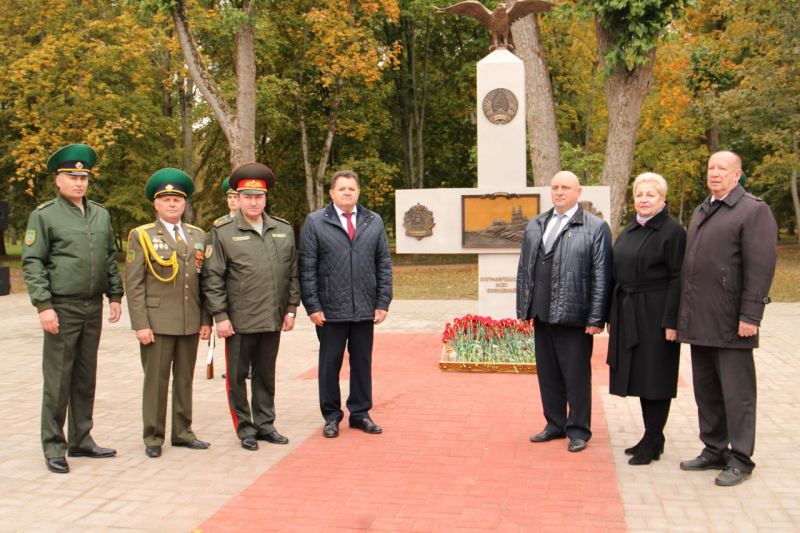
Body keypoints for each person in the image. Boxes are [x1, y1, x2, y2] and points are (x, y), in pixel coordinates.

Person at [677, 151, 778, 486]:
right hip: (700, 320)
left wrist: (751, 315)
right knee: (706, 391)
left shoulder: (753, 210)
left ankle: (740, 458)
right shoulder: (703, 209)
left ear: (738, 175)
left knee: (738, 394)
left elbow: (761, 268)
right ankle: (714, 448)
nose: (715, 173)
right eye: (710, 168)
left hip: (733, 321)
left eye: (722, 168)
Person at [21, 144, 124, 474]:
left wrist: (116, 295)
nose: (79, 183)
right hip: (62, 308)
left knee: (84, 376)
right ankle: (54, 445)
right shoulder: (45, 215)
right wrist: (44, 305)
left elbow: (109, 258)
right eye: (71, 176)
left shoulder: (100, 213)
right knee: (58, 379)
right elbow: (33, 261)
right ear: (58, 180)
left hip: (92, 306)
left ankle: (82, 438)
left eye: (83, 177)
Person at [201, 163, 300, 451]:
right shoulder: (222, 232)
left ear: (265, 198)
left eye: (258, 196)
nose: (253, 202)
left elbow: (292, 274)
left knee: (265, 375)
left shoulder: (283, 229)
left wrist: (291, 309)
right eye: (247, 196)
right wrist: (220, 316)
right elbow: (213, 277)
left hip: (273, 317)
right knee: (236, 377)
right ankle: (245, 428)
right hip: (239, 321)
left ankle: (266, 424)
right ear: (238, 199)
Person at [516, 171, 612, 453]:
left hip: (575, 316)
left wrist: (597, 317)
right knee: (548, 373)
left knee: (576, 375)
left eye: (566, 188)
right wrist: (523, 306)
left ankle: (579, 429)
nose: (559, 192)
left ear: (578, 192)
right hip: (542, 313)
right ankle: (554, 424)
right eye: (555, 187)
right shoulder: (536, 224)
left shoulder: (595, 227)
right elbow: (525, 270)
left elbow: (602, 275)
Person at [125, 169, 213, 458]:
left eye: (177, 199)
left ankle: (183, 432)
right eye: (167, 200)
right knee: (156, 382)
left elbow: (204, 282)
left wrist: (205, 320)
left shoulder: (197, 235)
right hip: (158, 323)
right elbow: (134, 284)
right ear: (156, 204)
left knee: (185, 380)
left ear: (184, 204)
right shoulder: (143, 235)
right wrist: (140, 324)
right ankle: (153, 436)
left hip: (189, 321)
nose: (173, 204)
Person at [299, 169, 393, 438]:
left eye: (352, 188)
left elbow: (383, 264)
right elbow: (307, 268)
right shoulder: (315, 222)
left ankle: (360, 413)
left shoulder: (373, 221)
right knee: (330, 364)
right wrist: (313, 306)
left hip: (365, 307)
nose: (347, 192)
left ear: (358, 192)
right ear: (332, 193)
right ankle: (331, 416)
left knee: (362, 362)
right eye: (342, 189)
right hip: (330, 310)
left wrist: (382, 301)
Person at [606, 173, 686, 465]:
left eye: (650, 195)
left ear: (662, 199)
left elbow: (679, 277)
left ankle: (654, 438)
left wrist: (671, 320)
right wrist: (611, 315)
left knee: (656, 375)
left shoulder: (672, 231)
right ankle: (652, 434)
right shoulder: (629, 229)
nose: (644, 200)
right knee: (641, 375)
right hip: (629, 311)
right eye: (639, 194)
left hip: (656, 313)